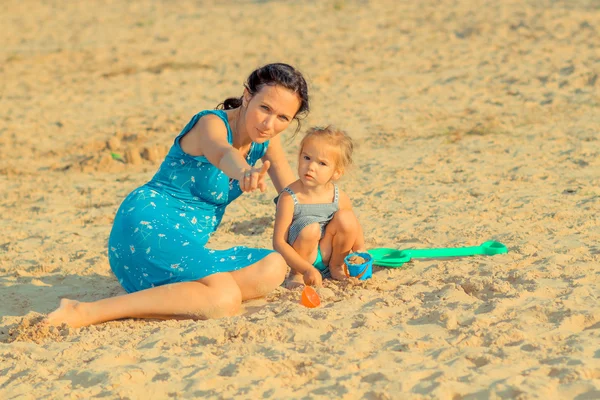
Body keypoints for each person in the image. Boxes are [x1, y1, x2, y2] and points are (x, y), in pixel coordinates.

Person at [46, 63, 314, 328]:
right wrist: (244, 171)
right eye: (264, 108)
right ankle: (87, 311)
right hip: (146, 225)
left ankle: (184, 296)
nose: (269, 124)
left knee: (273, 266)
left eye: (283, 118)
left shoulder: (266, 139)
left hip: (187, 245)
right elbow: (221, 153)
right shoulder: (211, 123)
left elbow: (295, 197)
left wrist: (335, 225)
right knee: (223, 298)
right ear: (247, 95)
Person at [273, 126, 366, 288]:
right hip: (302, 259)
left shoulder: (338, 196)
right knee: (311, 228)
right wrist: (305, 269)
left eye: (322, 163)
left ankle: (335, 267)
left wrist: (361, 253)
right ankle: (297, 274)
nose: (311, 167)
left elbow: (354, 227)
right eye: (307, 158)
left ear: (336, 173)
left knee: (347, 217)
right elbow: (279, 242)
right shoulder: (289, 197)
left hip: (330, 253)